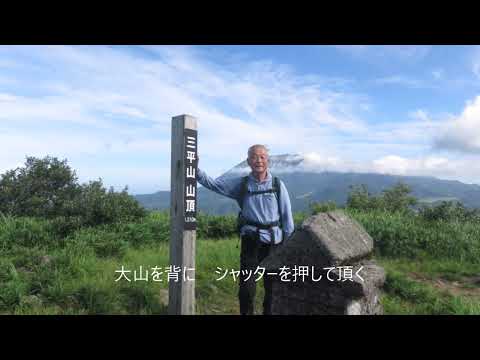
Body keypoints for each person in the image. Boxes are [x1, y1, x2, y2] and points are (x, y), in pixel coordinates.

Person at [197, 144, 294, 315]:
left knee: (272, 287)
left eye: (262, 157)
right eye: (254, 157)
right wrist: (195, 169)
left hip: (274, 243)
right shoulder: (241, 184)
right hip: (251, 242)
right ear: (248, 161)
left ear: (268, 161)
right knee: (246, 289)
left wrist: (287, 245)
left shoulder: (278, 185)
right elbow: (213, 184)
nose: (259, 160)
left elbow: (287, 217)